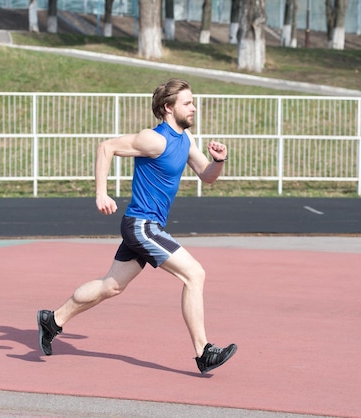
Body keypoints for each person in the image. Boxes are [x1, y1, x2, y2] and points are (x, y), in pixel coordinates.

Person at [37, 78, 237, 374]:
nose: (194, 108)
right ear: (169, 107)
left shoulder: (186, 140)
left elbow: (207, 175)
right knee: (195, 274)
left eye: (193, 102)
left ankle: (52, 320)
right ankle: (203, 351)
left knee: (111, 286)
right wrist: (101, 193)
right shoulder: (154, 139)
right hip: (142, 225)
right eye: (187, 103)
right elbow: (107, 147)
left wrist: (219, 161)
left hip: (146, 226)